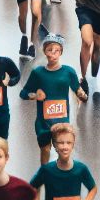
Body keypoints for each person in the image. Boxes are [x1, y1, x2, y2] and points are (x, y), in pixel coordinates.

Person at [20, 33, 87, 167]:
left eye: (57, 50)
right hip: (43, 122)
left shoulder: (69, 72)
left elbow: (77, 89)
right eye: (50, 50)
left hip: (62, 121)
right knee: (45, 150)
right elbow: (23, 93)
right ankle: (44, 175)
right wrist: (35, 95)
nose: (53, 53)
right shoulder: (38, 72)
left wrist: (82, 94)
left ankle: (61, 176)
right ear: (45, 51)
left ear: (61, 52)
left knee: (63, 152)